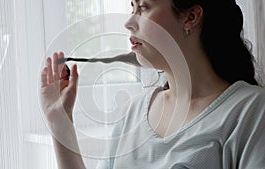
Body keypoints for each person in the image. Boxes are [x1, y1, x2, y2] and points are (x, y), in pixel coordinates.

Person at [39, 0, 265, 168]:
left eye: (143, 7)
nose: (128, 22)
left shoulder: (252, 111)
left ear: (191, 17)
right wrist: (61, 122)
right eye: (132, 7)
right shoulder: (134, 112)